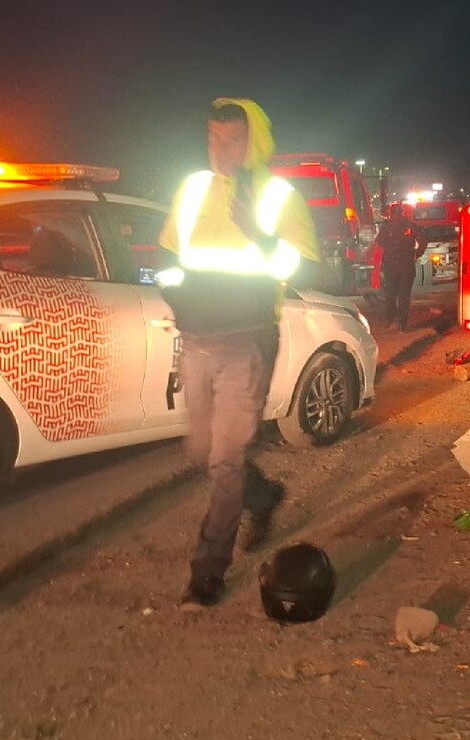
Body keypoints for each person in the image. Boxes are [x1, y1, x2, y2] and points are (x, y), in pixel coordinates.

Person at [156, 98, 320, 610]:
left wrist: (259, 235)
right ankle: (264, 496)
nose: (222, 150)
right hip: (198, 337)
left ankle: (206, 575)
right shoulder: (192, 189)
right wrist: (178, 299)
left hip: (247, 340)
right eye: (214, 138)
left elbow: (305, 268)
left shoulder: (278, 196)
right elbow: (167, 254)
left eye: (233, 140)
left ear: (255, 143)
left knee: (225, 460)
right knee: (203, 453)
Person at [374, 203, 424, 331]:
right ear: (403, 212)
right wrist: (416, 254)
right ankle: (402, 324)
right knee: (403, 296)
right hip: (405, 265)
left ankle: (392, 321)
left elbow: (380, 242)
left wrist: (392, 246)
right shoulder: (411, 226)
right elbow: (423, 241)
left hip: (392, 266)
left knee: (392, 295)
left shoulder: (387, 227)